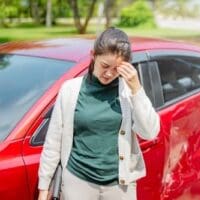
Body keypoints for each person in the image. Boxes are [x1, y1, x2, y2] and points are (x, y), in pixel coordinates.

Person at [38, 27, 160, 200]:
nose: (109, 73)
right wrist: (44, 187)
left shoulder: (128, 92)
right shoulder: (70, 90)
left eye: (116, 68)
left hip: (119, 186)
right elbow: (53, 141)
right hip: (77, 182)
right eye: (105, 65)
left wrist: (137, 89)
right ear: (93, 55)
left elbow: (150, 132)